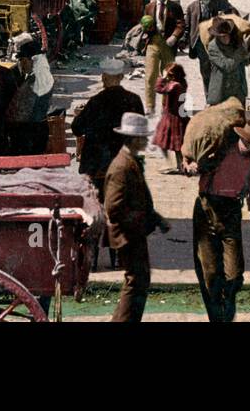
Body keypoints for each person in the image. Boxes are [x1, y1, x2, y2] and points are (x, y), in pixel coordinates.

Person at [189, 120, 250, 323]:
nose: (247, 147)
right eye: (246, 142)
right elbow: (194, 162)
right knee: (210, 273)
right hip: (207, 210)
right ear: (240, 137)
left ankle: (227, 305)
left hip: (231, 212)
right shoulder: (220, 150)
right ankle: (216, 317)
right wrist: (190, 164)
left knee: (234, 274)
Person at [104, 112, 169, 322]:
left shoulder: (129, 161)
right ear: (133, 139)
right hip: (127, 234)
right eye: (142, 137)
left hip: (133, 232)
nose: (146, 140)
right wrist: (142, 221)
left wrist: (156, 219)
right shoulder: (122, 166)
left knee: (139, 281)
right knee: (136, 281)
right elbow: (114, 208)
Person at [72, 61, 146, 197]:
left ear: (103, 77)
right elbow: (140, 132)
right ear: (121, 77)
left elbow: (77, 129)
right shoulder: (134, 100)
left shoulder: (96, 101)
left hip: (97, 164)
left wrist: (79, 115)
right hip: (124, 161)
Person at [5, 35, 54, 155]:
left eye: (23, 60)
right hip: (36, 129)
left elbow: (22, 111)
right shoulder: (41, 75)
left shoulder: (35, 80)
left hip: (29, 133)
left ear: (33, 60)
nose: (21, 64)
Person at [184, 0, 237, 85]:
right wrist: (183, 40)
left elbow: (233, 13)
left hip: (217, 41)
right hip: (200, 43)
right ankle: (209, 97)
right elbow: (187, 26)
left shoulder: (220, 1)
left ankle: (219, 95)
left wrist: (225, 17)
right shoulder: (192, 7)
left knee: (220, 69)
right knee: (205, 71)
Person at [145, 0, 185, 113]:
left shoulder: (175, 7)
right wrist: (146, 27)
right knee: (151, 74)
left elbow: (181, 25)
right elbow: (145, 25)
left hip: (168, 44)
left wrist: (174, 36)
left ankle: (165, 106)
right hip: (153, 43)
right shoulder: (149, 7)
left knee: (169, 75)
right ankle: (150, 106)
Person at [203, 16, 250, 106]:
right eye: (222, 37)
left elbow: (245, 62)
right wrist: (241, 50)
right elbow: (227, 66)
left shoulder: (235, 42)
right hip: (221, 93)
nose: (225, 39)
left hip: (238, 92)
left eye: (226, 35)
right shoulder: (213, 47)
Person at [153, 63, 189, 174]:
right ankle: (178, 165)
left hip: (173, 118)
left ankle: (178, 166)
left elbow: (159, 89)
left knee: (174, 145)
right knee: (175, 144)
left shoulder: (175, 86)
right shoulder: (181, 83)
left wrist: (162, 78)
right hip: (174, 116)